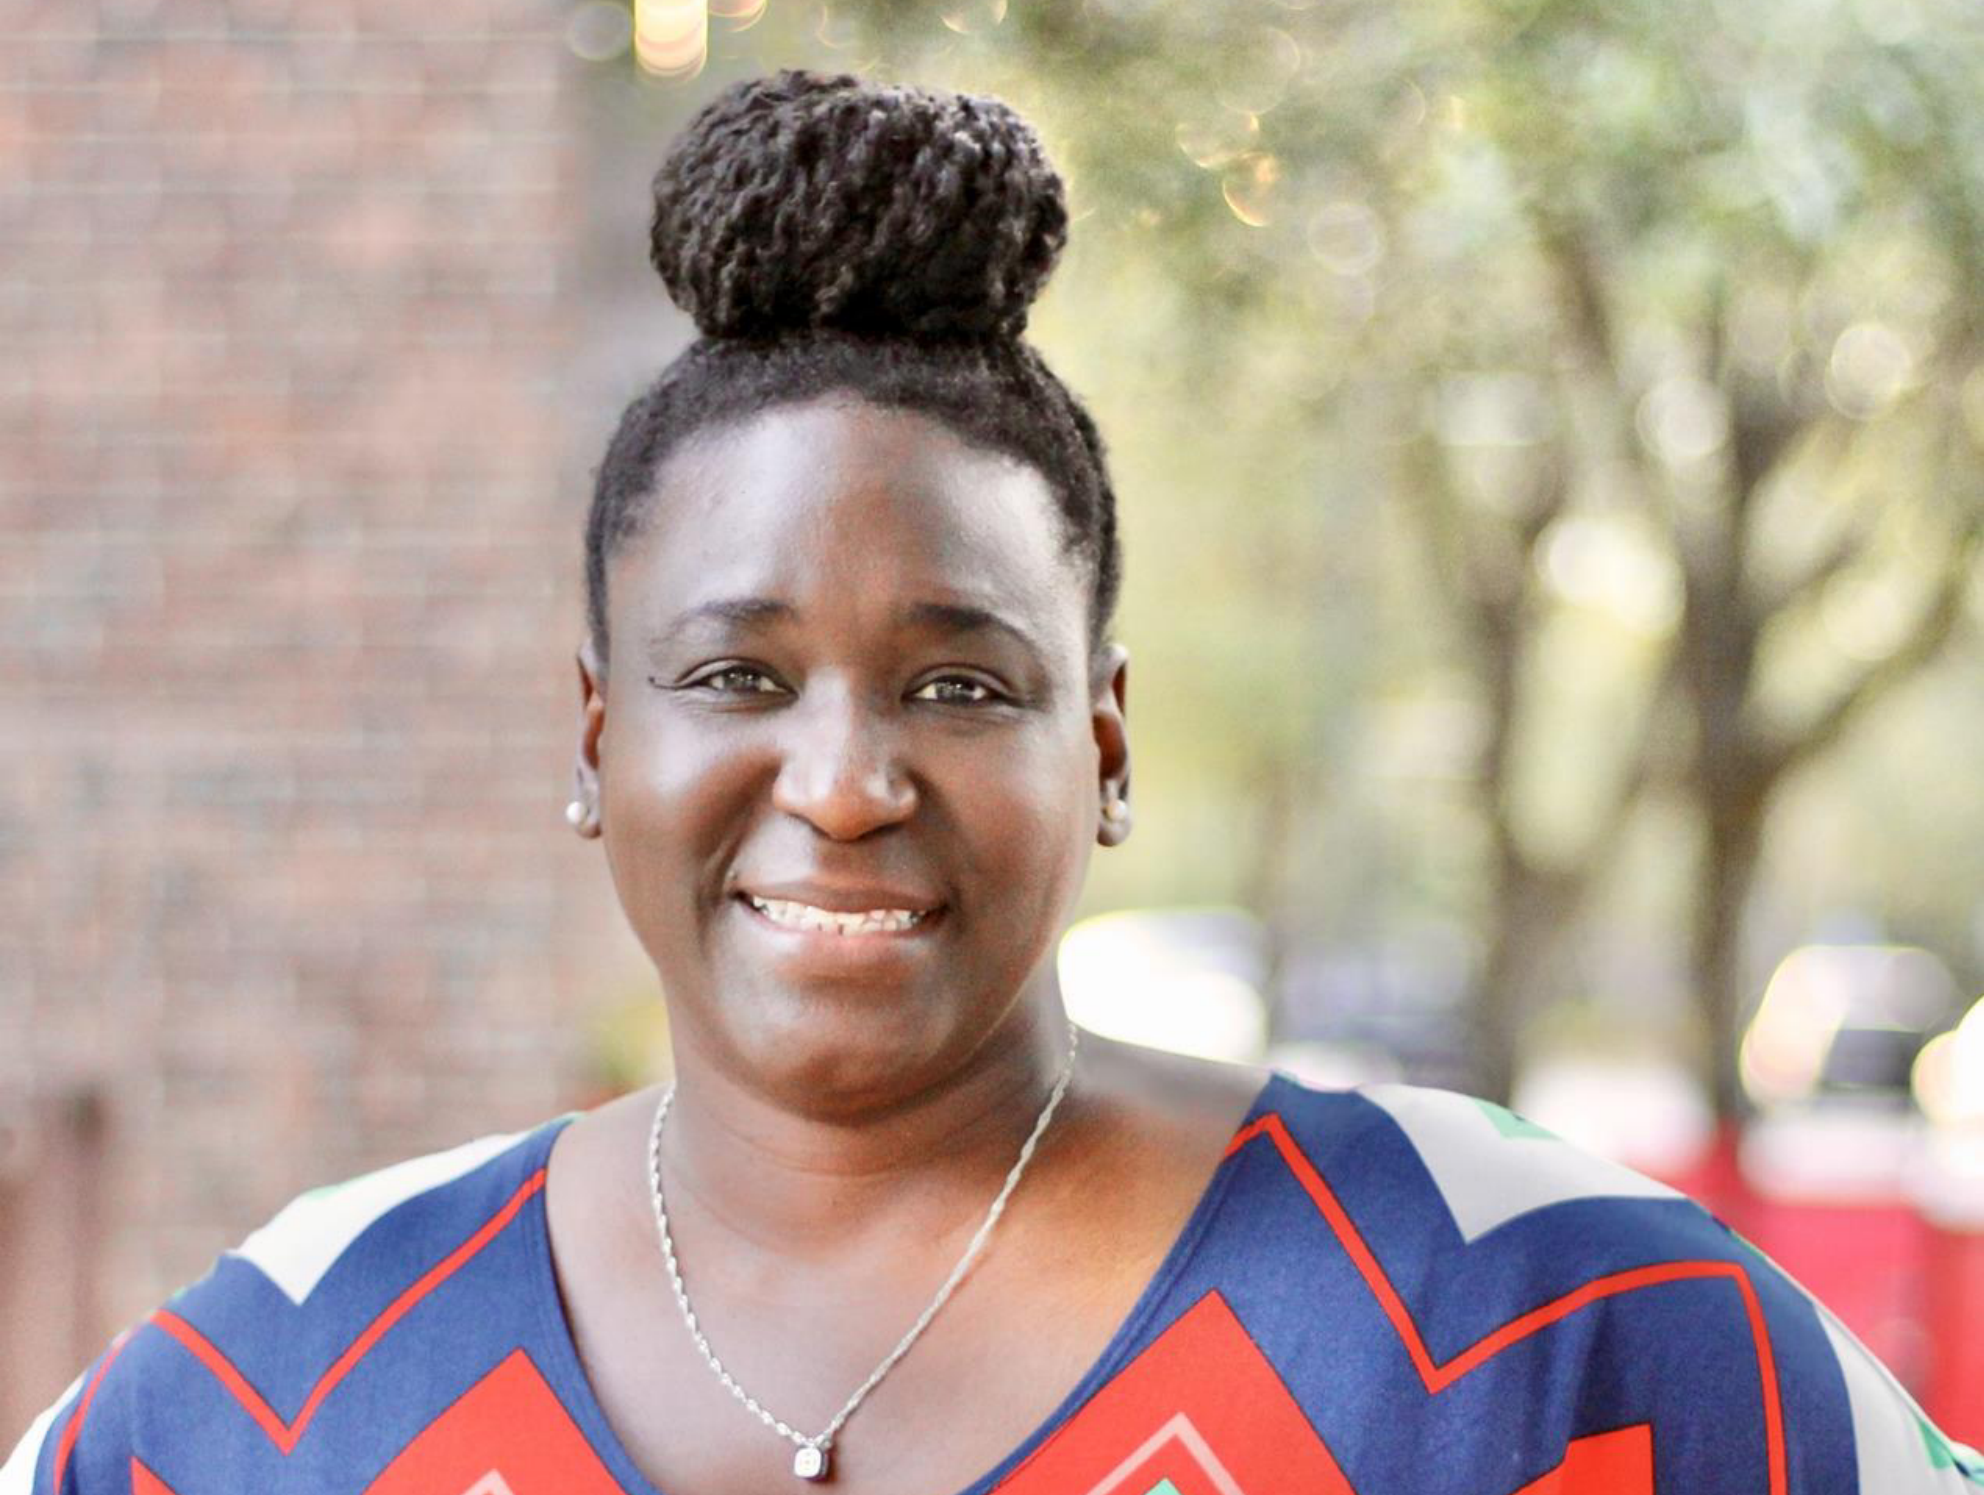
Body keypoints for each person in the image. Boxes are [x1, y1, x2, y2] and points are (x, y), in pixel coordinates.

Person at [4, 67, 1977, 1495]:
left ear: (1098, 750)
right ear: (597, 740)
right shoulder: (271, 1387)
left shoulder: (1540, 1337)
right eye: (736, 674)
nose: (846, 780)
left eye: (956, 679)